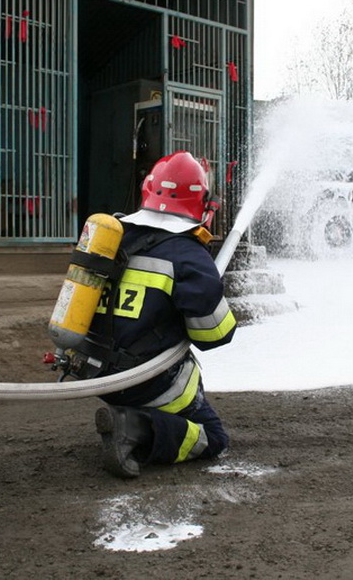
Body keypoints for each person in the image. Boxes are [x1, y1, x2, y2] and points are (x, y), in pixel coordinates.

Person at [77, 151, 237, 478]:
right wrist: (206, 287)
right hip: (147, 383)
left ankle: (132, 414)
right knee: (214, 437)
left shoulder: (112, 234)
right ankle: (137, 428)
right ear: (201, 203)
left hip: (95, 372)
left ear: (146, 191)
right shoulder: (190, 257)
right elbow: (214, 335)